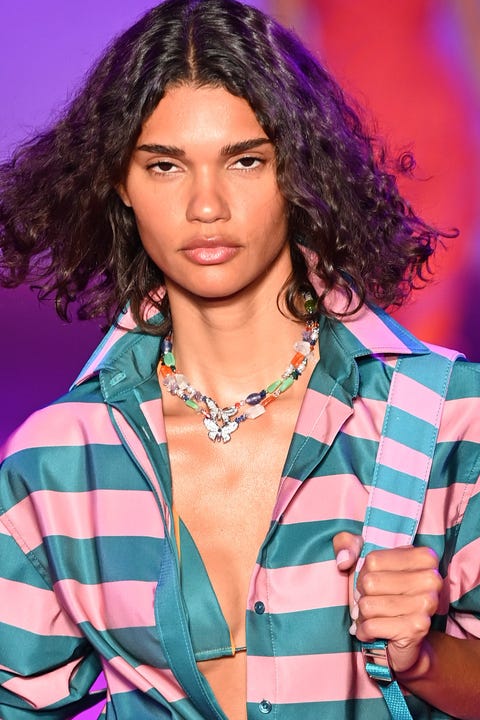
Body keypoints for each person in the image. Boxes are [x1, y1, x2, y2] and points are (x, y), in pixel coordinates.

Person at [0, 0, 479, 718]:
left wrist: (422, 657)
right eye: (165, 166)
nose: (205, 205)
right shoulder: (58, 461)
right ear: (121, 189)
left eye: (245, 159)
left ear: (298, 172)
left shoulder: (446, 418)